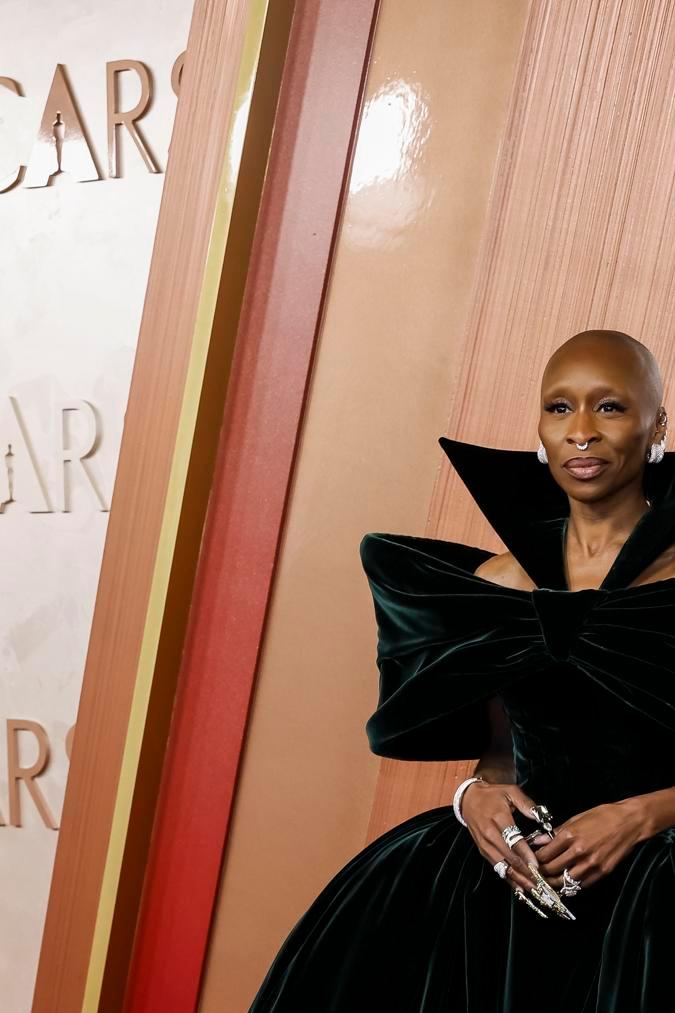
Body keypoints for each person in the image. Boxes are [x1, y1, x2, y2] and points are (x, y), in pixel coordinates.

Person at [248, 329, 675, 1012]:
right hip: (515, 890)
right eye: (559, 408)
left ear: (657, 423)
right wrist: (472, 797)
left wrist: (641, 815)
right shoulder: (495, 582)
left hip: (656, 891)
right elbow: (501, 761)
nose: (581, 433)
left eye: (611, 407)